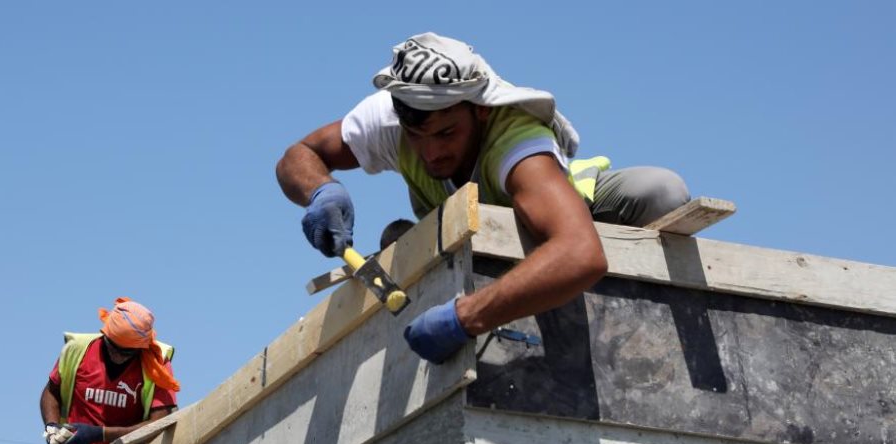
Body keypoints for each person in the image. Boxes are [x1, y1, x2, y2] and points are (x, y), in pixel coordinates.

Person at [276, 32, 690, 364]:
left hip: (572, 212)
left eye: (446, 134)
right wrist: (321, 191)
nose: (431, 152)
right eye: (417, 137)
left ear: (481, 111)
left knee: (659, 192)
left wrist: (465, 318)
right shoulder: (391, 118)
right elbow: (299, 155)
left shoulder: (516, 140)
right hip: (468, 242)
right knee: (398, 240)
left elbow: (581, 254)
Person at [38, 297, 180, 444]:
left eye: (126, 353)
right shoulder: (78, 351)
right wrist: (52, 426)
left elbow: (158, 425)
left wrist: (98, 434)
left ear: (140, 348)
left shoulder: (156, 364)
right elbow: (51, 392)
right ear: (104, 334)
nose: (117, 355)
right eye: (112, 347)